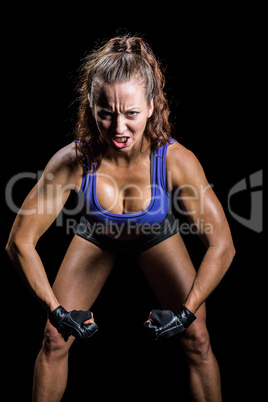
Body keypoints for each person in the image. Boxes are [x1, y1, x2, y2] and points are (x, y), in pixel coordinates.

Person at [6, 35, 235, 401]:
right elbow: (19, 242)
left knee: (198, 339)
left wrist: (186, 314)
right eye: (106, 113)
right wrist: (57, 311)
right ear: (91, 106)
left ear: (150, 107)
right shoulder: (73, 161)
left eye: (130, 114)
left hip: (154, 233)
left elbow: (223, 245)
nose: (118, 128)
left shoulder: (176, 161)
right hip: (97, 234)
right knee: (53, 338)